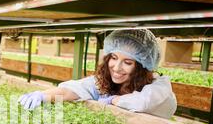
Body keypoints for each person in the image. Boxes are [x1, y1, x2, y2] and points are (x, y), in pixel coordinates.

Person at [18, 29, 177, 119]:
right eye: (114, 58)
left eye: (128, 62)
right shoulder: (108, 81)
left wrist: (113, 100)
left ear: (142, 67)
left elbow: (142, 103)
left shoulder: (159, 86)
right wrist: (43, 95)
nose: (116, 67)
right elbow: (73, 89)